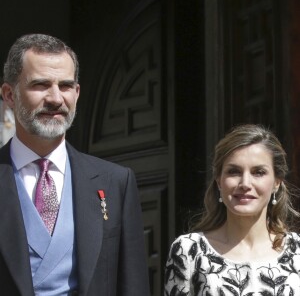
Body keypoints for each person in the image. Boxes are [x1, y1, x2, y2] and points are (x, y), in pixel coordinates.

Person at [0, 33, 150, 296]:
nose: (56, 98)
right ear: (9, 95)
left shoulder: (115, 182)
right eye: (41, 84)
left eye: (66, 86)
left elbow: (133, 285)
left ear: (77, 93)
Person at [164, 124, 300, 296]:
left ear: (277, 182)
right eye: (234, 172)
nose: (245, 184)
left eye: (258, 172)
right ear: (219, 181)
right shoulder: (189, 251)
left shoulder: (297, 252)